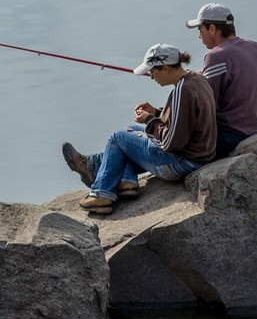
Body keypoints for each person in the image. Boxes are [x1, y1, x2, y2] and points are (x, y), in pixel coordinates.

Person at [61, 43, 216, 214]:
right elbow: (185, 120)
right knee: (131, 129)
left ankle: (101, 194)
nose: (151, 77)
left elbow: (170, 142)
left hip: (181, 162)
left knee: (118, 138)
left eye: (153, 71)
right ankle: (126, 181)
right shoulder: (196, 79)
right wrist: (156, 113)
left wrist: (149, 120)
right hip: (199, 155)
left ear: (165, 68)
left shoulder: (182, 90)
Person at [186, 3, 257, 160]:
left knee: (140, 141)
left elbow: (206, 107)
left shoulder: (216, 56)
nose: (199, 36)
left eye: (200, 30)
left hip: (229, 138)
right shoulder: (256, 48)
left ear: (212, 29)